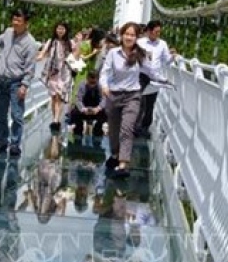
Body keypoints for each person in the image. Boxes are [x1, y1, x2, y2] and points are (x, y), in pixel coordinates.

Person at [99, 22, 170, 177]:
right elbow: (105, 72)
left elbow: (151, 71)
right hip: (114, 95)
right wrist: (104, 86)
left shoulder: (140, 54)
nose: (129, 37)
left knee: (127, 128)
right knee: (114, 130)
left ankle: (124, 164)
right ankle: (115, 155)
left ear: (137, 37)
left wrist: (165, 80)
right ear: (122, 35)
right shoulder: (113, 53)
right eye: (127, 34)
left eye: (132, 35)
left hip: (132, 95)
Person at [0, 9, 37, 157]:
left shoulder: (30, 43)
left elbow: (30, 67)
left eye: (18, 21)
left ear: (26, 24)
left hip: (16, 83)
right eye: (14, 20)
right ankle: (2, 141)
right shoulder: (9, 32)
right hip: (2, 80)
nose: (15, 23)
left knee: (17, 115)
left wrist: (24, 85)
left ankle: (15, 144)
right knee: (0, 114)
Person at [135, 20, 174, 138]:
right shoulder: (140, 42)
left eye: (159, 32)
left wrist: (173, 56)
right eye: (156, 32)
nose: (158, 34)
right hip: (141, 75)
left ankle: (145, 127)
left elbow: (166, 60)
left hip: (155, 77)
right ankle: (135, 126)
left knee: (151, 104)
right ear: (150, 31)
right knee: (139, 100)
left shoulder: (162, 44)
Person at [37, 21, 76, 131]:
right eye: (58, 28)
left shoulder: (70, 43)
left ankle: (56, 120)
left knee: (59, 97)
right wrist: (38, 57)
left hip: (64, 72)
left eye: (62, 29)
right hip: (53, 72)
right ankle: (55, 119)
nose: (60, 31)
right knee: (54, 97)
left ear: (66, 30)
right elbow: (44, 52)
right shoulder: (51, 42)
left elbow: (76, 55)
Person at [69, 70, 107, 137]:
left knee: (106, 111)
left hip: (96, 110)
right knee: (75, 111)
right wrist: (83, 109)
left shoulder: (100, 86)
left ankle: (98, 129)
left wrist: (98, 108)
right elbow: (78, 99)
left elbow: (104, 100)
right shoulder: (82, 85)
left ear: (97, 80)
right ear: (87, 78)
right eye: (90, 82)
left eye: (94, 82)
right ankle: (78, 129)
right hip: (84, 109)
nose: (92, 85)